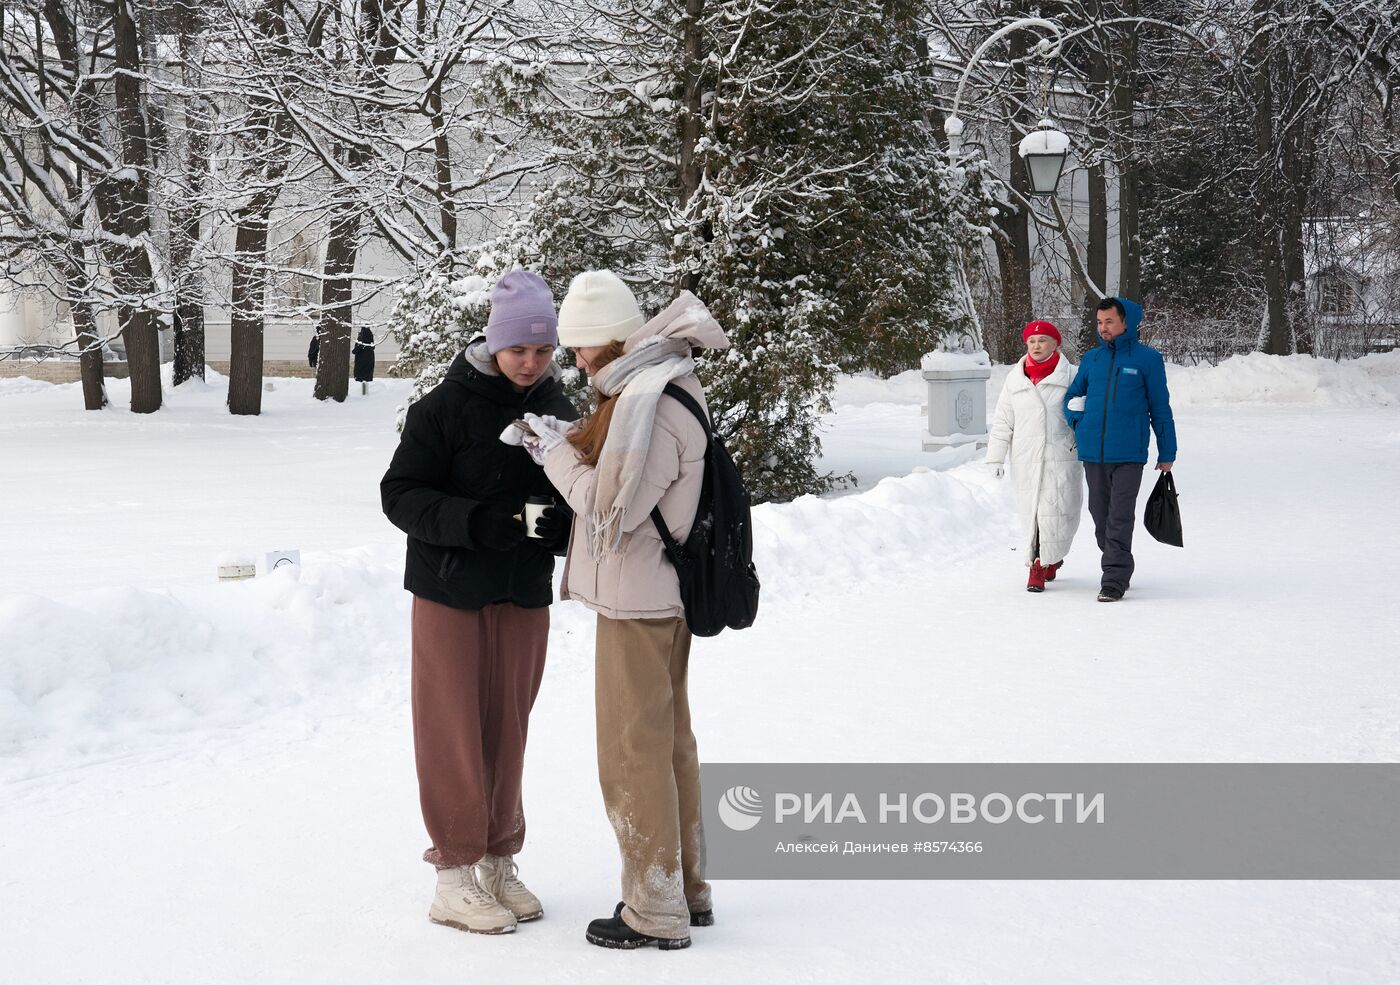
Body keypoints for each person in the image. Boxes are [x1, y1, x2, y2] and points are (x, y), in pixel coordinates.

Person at [524, 270, 724, 951]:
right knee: (668, 744)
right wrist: (577, 436)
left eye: (582, 347)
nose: (575, 360)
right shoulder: (655, 382)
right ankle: (685, 887)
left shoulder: (649, 401)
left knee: (631, 752)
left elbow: (611, 512)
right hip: (658, 595)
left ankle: (654, 906)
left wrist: (552, 452)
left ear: (611, 341)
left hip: (639, 601)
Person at [379, 270, 577, 935]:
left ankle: (498, 858)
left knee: (508, 729)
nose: (531, 362)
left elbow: (578, 495)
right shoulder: (444, 408)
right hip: (451, 593)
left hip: (521, 595)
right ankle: (453, 872)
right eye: (519, 349)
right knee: (452, 732)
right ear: (494, 343)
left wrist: (558, 526)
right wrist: (473, 520)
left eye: (543, 350)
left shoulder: (558, 410)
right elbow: (400, 494)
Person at [1063, 296, 1177, 602]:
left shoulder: (1147, 360)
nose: (1103, 328)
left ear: (1127, 322)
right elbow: (1072, 397)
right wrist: (1079, 423)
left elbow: (1160, 408)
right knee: (1100, 515)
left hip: (1129, 453)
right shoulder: (1092, 359)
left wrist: (1167, 452)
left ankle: (1113, 577)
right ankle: (1118, 558)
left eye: (1109, 322)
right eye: (1100, 323)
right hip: (1093, 453)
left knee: (1120, 516)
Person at [986, 320, 1083, 592]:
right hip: (1026, 458)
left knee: (1058, 511)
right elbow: (1003, 419)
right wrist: (996, 457)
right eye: (1032, 341)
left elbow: (1086, 414)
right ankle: (1036, 566)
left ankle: (1050, 559)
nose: (1037, 346)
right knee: (1034, 513)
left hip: (1061, 455)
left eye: (1043, 341)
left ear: (1055, 344)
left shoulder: (1072, 375)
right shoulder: (1015, 379)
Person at [353, 326, 375, 392]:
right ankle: (366, 391)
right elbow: (373, 347)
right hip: (370, 358)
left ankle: (362, 392)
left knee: (360, 376)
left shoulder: (361, 336)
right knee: (367, 375)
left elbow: (358, 347)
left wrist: (354, 351)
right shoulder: (371, 336)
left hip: (361, 358)